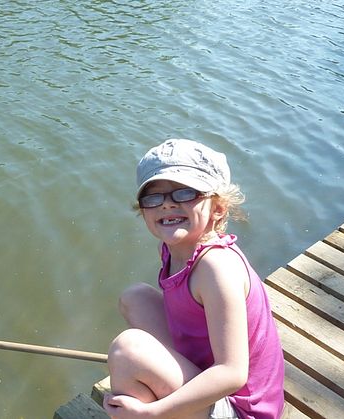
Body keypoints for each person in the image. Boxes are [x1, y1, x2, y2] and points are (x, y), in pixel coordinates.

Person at [103, 139, 284, 419]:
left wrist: (152, 412)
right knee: (135, 298)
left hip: (241, 409)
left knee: (128, 351)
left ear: (219, 208)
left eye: (185, 193)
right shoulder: (174, 248)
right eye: (154, 197)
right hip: (208, 376)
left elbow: (233, 373)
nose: (166, 205)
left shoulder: (216, 268)